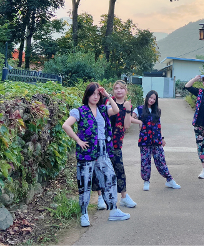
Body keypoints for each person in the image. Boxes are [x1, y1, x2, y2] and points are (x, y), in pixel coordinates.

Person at [62, 83, 131, 227]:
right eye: (93, 93)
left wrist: (106, 95)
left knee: (110, 178)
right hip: (86, 151)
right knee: (85, 183)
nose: (95, 96)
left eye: (97, 94)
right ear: (87, 95)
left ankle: (113, 210)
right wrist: (78, 140)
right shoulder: (80, 111)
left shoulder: (103, 109)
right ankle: (84, 214)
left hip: (103, 150)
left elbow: (117, 110)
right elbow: (66, 125)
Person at [92, 80, 136, 210]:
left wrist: (128, 110)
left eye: (121, 88)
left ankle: (123, 197)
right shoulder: (107, 103)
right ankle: (100, 198)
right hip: (102, 141)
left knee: (119, 169)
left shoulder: (128, 105)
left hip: (117, 142)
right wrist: (108, 97)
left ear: (125, 91)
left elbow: (127, 126)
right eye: (116, 88)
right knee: (99, 170)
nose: (118, 90)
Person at [131, 90, 181, 191]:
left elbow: (159, 126)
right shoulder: (139, 109)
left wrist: (162, 138)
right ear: (147, 97)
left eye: (154, 99)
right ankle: (146, 181)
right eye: (150, 98)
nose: (152, 100)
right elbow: (130, 119)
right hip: (145, 140)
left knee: (161, 161)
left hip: (156, 140)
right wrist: (139, 121)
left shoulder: (157, 110)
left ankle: (169, 180)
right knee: (145, 161)